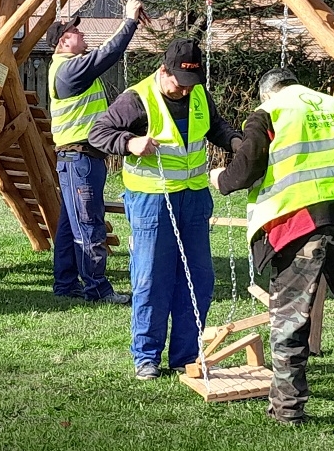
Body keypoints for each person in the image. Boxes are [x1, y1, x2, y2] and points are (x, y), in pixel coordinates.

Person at [208, 67, 334, 434]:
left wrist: (220, 180)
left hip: (299, 227)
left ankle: (287, 408)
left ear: (266, 94)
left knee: (290, 321)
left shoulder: (269, 113)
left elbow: (244, 170)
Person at [88, 38, 243, 381]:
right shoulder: (136, 99)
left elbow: (215, 126)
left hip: (194, 198)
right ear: (163, 71)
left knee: (198, 279)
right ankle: (146, 357)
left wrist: (235, 142)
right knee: (152, 279)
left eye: (191, 84)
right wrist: (130, 143)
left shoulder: (198, 92)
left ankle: (186, 355)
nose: (185, 91)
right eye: (178, 83)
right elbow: (98, 133)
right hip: (152, 200)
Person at [48, 0, 146, 304]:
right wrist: (129, 21)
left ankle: (66, 283)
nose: (82, 33)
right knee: (89, 223)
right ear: (64, 41)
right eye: (75, 31)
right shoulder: (69, 69)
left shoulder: (68, 69)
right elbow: (109, 53)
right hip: (81, 159)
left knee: (70, 224)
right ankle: (98, 289)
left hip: (76, 159)